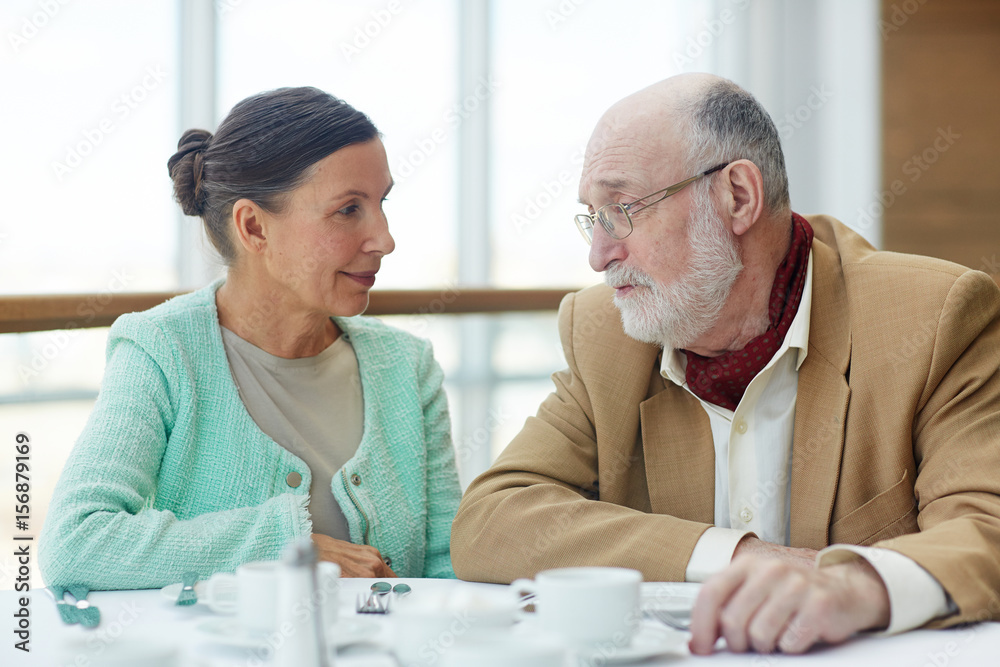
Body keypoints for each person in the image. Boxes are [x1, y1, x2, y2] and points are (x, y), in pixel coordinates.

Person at [451, 74, 1000, 654]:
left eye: (622, 208)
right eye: (593, 216)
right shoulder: (604, 332)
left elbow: (986, 530)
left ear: (737, 196)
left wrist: (851, 584)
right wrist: (739, 554)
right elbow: (493, 519)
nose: (598, 255)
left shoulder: (933, 317)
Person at [39, 87, 462, 589]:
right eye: (349, 209)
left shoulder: (408, 367)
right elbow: (76, 543)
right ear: (254, 227)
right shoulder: (162, 351)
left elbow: (447, 570)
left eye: (381, 202)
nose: (385, 239)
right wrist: (288, 546)